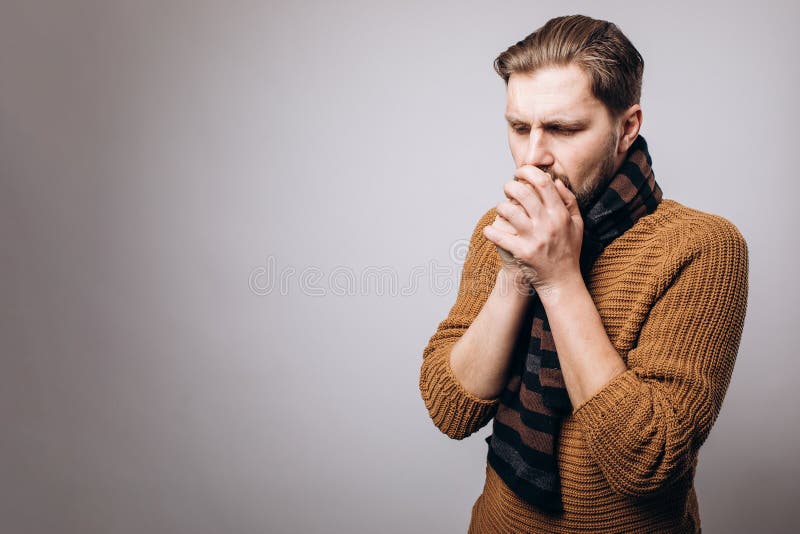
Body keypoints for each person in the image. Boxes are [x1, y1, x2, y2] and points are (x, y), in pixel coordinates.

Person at [418, 14, 748, 533]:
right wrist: (515, 276)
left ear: (627, 127)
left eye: (564, 129)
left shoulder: (701, 247)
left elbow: (648, 461)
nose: (533, 158)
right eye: (519, 127)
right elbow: (450, 407)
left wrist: (557, 279)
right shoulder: (504, 228)